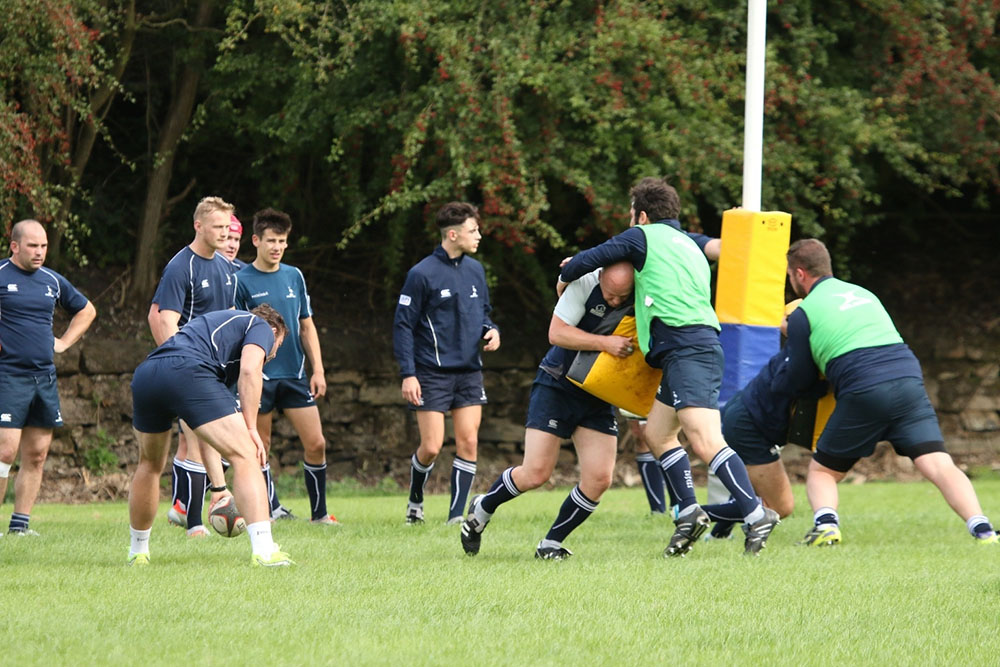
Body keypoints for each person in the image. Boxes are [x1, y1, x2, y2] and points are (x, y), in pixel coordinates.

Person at [557, 177, 780, 556]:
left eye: (632, 216)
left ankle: (756, 512)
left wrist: (565, 277)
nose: (630, 223)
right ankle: (690, 514)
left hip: (688, 347)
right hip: (691, 347)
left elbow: (587, 259)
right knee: (658, 435)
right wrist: (743, 226)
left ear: (641, 215)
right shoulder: (688, 241)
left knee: (704, 436)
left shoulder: (641, 237)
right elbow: (722, 248)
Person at [780, 238, 997, 546]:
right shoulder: (863, 293)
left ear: (799, 273)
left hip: (865, 386)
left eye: (790, 276)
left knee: (822, 471)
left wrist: (794, 337)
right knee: (938, 463)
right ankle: (983, 529)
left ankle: (826, 526)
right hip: (907, 377)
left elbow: (800, 379)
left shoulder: (805, 312)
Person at [461, 262, 634, 559]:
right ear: (601, 277)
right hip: (557, 384)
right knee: (536, 473)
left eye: (622, 296)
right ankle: (483, 507)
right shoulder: (584, 282)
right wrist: (606, 343)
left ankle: (551, 543)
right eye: (610, 294)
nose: (615, 301)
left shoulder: (644, 290)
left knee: (600, 479)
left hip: (598, 391)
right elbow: (557, 334)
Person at [127, 305, 293, 566]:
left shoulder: (220, 344)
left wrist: (218, 488)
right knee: (247, 454)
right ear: (274, 331)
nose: (272, 352)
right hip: (187, 371)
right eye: (277, 345)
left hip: (149, 373)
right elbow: (250, 371)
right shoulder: (260, 327)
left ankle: (137, 552)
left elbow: (203, 430)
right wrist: (250, 428)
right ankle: (264, 551)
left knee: (149, 464)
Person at [393, 202, 500, 525]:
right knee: (431, 446)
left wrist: (491, 330)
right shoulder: (421, 274)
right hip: (430, 373)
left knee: (469, 441)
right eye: (472, 231)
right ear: (452, 235)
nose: (478, 236)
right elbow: (403, 326)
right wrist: (408, 374)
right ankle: (415, 501)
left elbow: (483, 313)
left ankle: (456, 517)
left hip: (469, 371)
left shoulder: (476, 270)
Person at [235, 208, 338, 524]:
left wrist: (317, 370)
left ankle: (319, 514)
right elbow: (237, 331)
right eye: (271, 240)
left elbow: (306, 325)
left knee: (316, 443)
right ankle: (271, 509)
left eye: (282, 241)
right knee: (261, 445)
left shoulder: (294, 275)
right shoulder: (240, 281)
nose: (277, 247)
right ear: (256, 241)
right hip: (260, 378)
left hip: (294, 376)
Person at [147, 195, 239, 536]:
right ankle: (197, 521)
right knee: (201, 439)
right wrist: (181, 364)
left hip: (219, 369)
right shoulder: (179, 266)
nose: (225, 234)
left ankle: (193, 506)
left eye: (228, 228)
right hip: (189, 369)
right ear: (198, 226)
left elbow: (228, 320)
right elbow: (164, 318)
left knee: (220, 442)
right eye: (218, 227)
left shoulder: (228, 268)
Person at [0, 220, 96, 536]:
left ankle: (20, 525)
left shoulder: (52, 280)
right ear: (14, 246)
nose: (40, 252)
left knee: (37, 453)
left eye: (43, 246)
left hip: (44, 378)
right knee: (4, 451)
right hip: (7, 375)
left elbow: (86, 311)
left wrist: (63, 342)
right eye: (32, 246)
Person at [702, 300, 827, 538]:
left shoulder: (808, 347)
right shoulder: (798, 351)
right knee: (781, 506)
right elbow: (783, 384)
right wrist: (819, 387)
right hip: (748, 424)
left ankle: (717, 534)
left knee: (753, 486)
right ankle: (695, 513)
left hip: (748, 418)